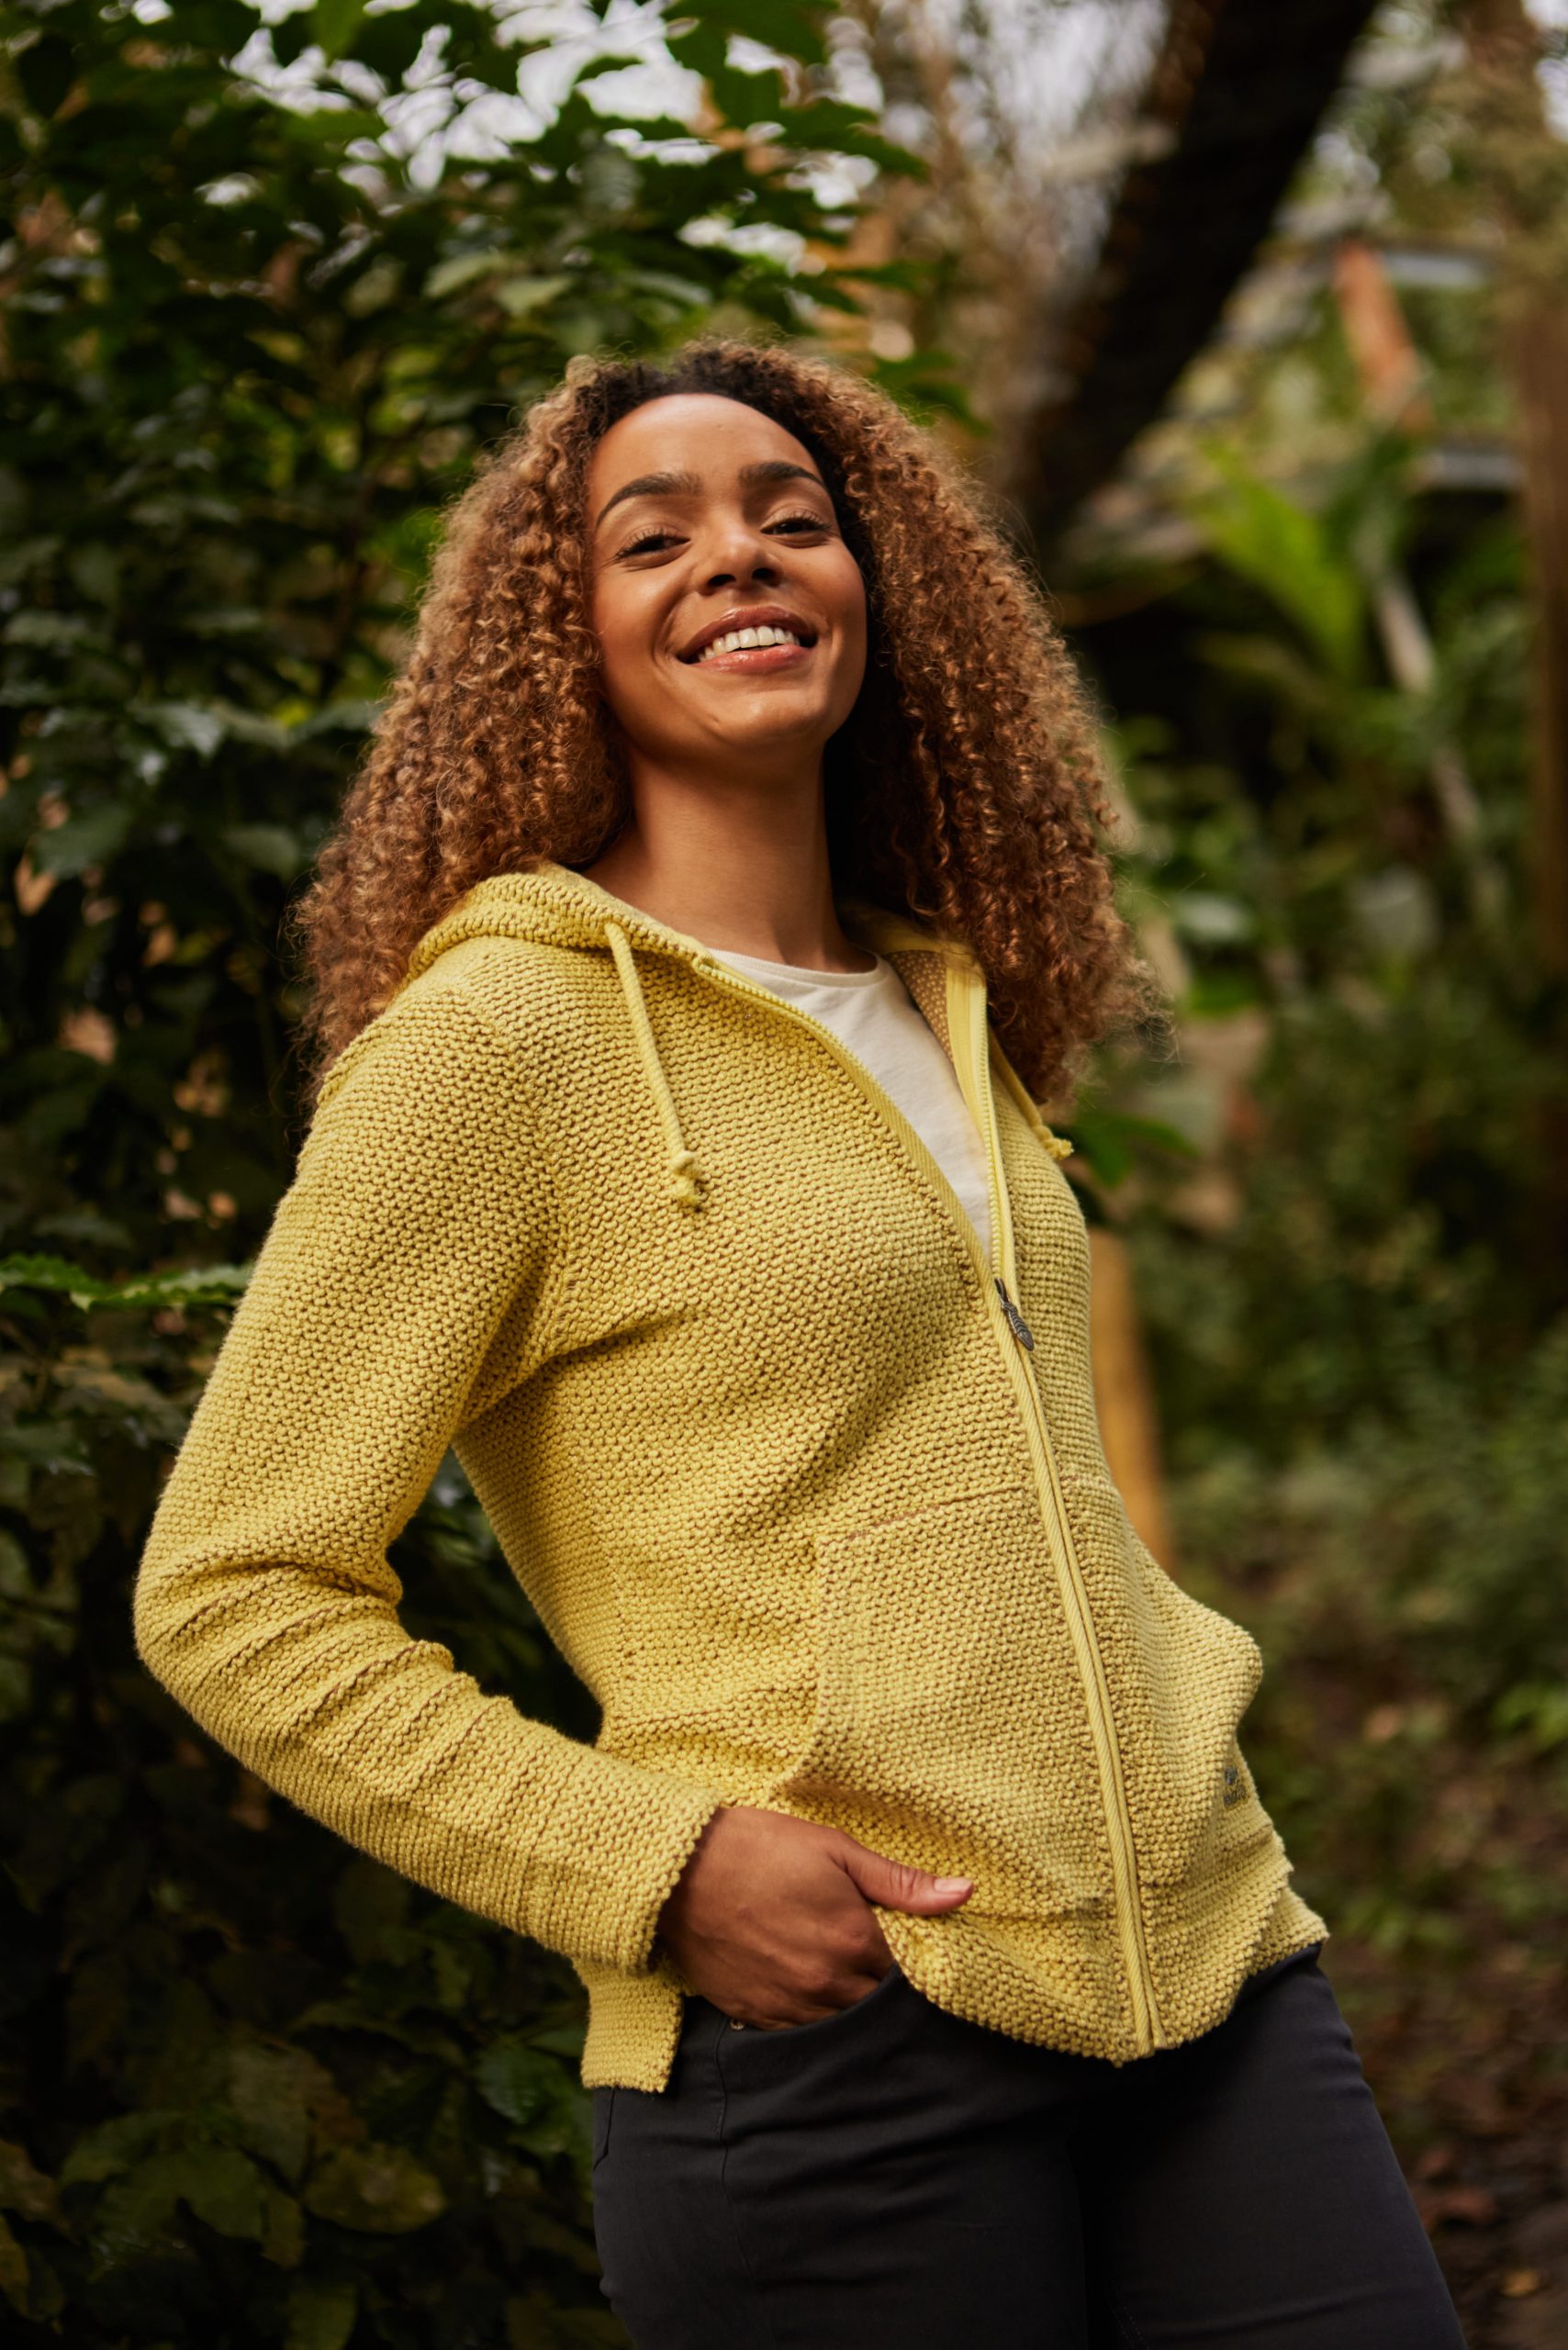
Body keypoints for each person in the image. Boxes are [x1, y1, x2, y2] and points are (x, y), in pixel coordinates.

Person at [133, 337, 1469, 2348]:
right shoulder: (500, 1045)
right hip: (842, 2048)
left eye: (788, 517)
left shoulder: (949, 998)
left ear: (872, 580)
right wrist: (656, 1865)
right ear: (555, 631)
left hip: (1197, 1959)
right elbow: (233, 1584)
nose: (737, 560)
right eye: (648, 536)